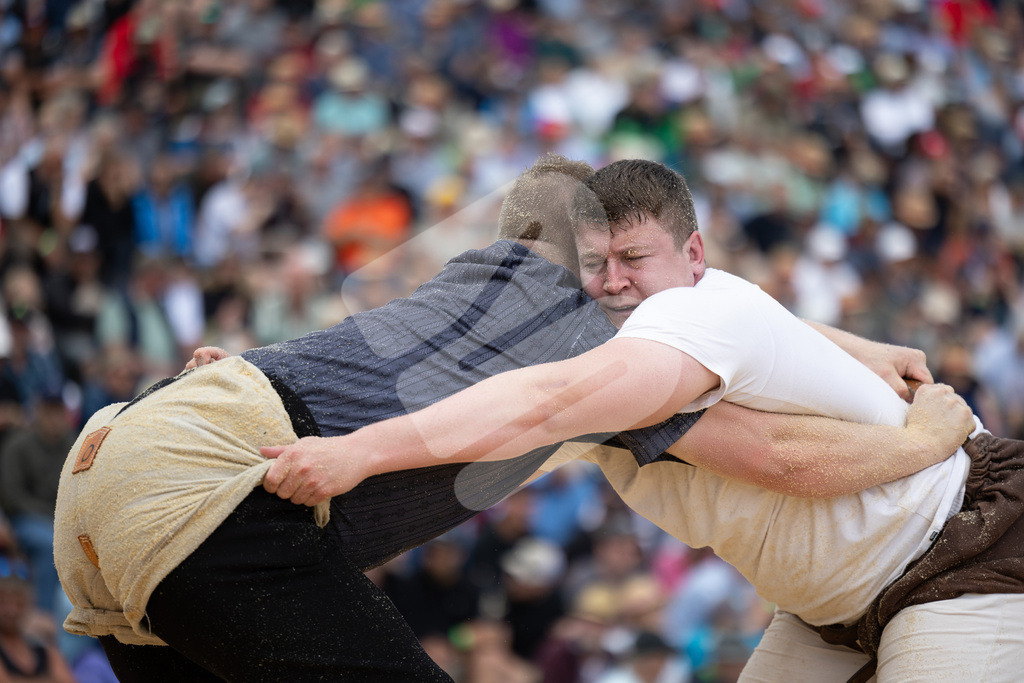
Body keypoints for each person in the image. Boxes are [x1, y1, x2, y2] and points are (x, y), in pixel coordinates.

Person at [55, 155, 967, 682]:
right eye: (602, 256)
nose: (614, 280)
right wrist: (926, 438)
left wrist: (854, 345)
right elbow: (775, 449)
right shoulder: (597, 341)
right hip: (208, 494)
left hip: (120, 456)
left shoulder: (471, 281)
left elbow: (708, 307)